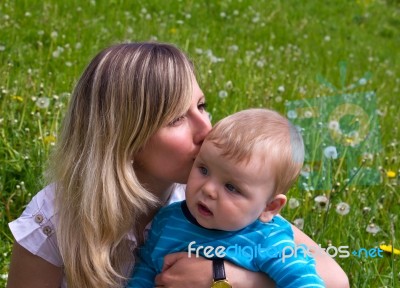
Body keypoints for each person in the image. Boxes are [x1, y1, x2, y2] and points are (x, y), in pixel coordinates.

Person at [6, 42, 349, 288]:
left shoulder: (209, 194)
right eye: (176, 120)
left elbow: (334, 278)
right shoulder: (56, 218)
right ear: (126, 139)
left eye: (202, 106)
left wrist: (225, 277)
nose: (207, 129)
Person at [127, 108, 325, 288]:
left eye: (231, 187)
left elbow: (304, 281)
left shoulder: (267, 240)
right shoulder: (167, 221)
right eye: (203, 169)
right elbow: (145, 269)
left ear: (269, 207)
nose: (209, 190)